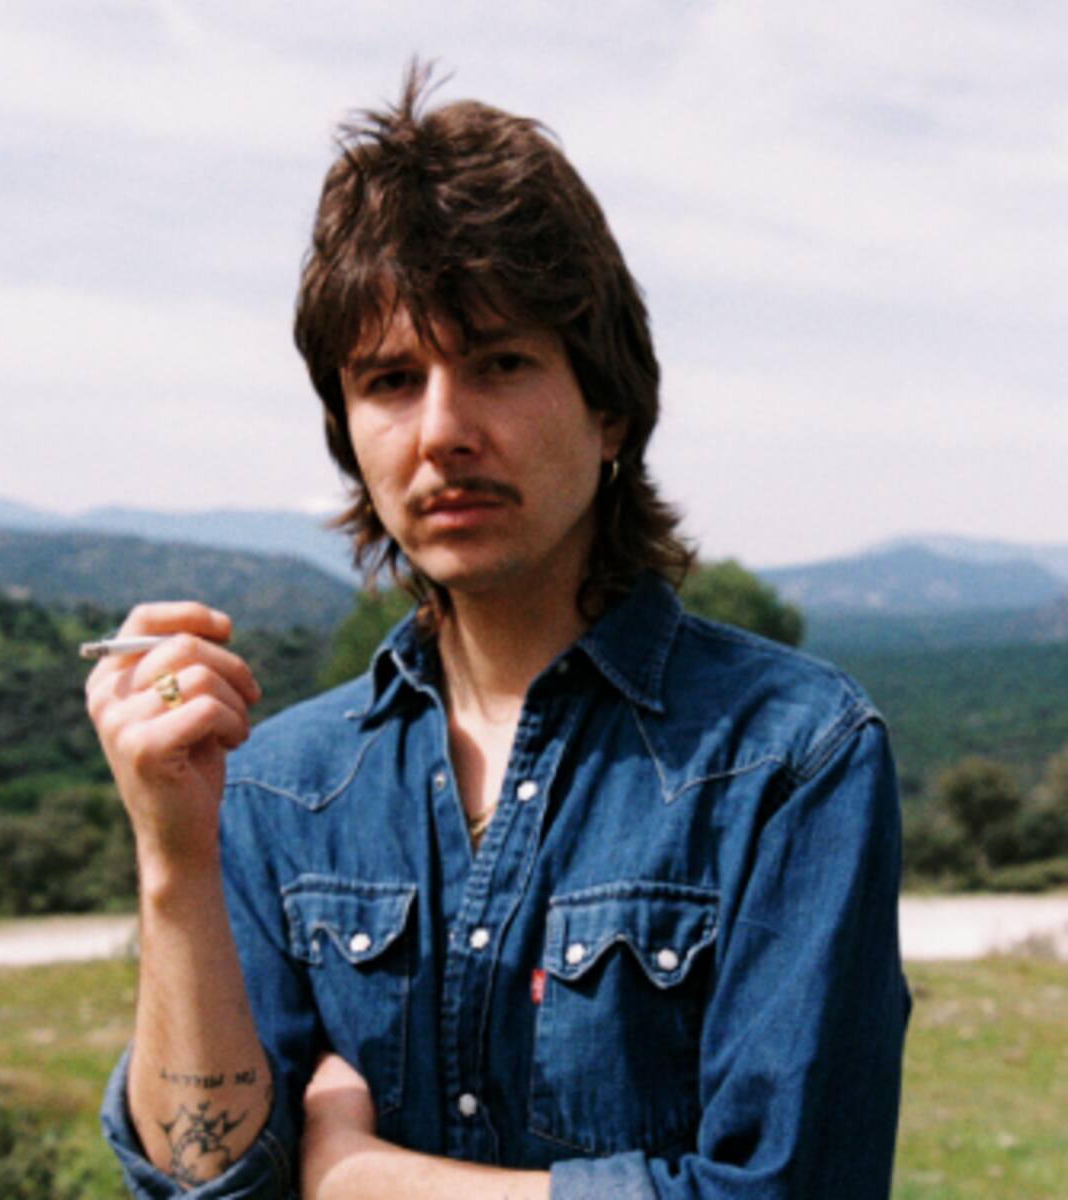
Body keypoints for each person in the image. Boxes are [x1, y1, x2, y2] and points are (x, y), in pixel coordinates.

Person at [90, 63, 909, 1199]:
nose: (442, 431)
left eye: (501, 364)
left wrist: (367, 1181)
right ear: (348, 431)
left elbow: (790, 1189)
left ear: (609, 406)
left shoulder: (789, 757)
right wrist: (175, 855)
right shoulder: (277, 789)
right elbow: (205, 1178)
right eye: (390, 379)